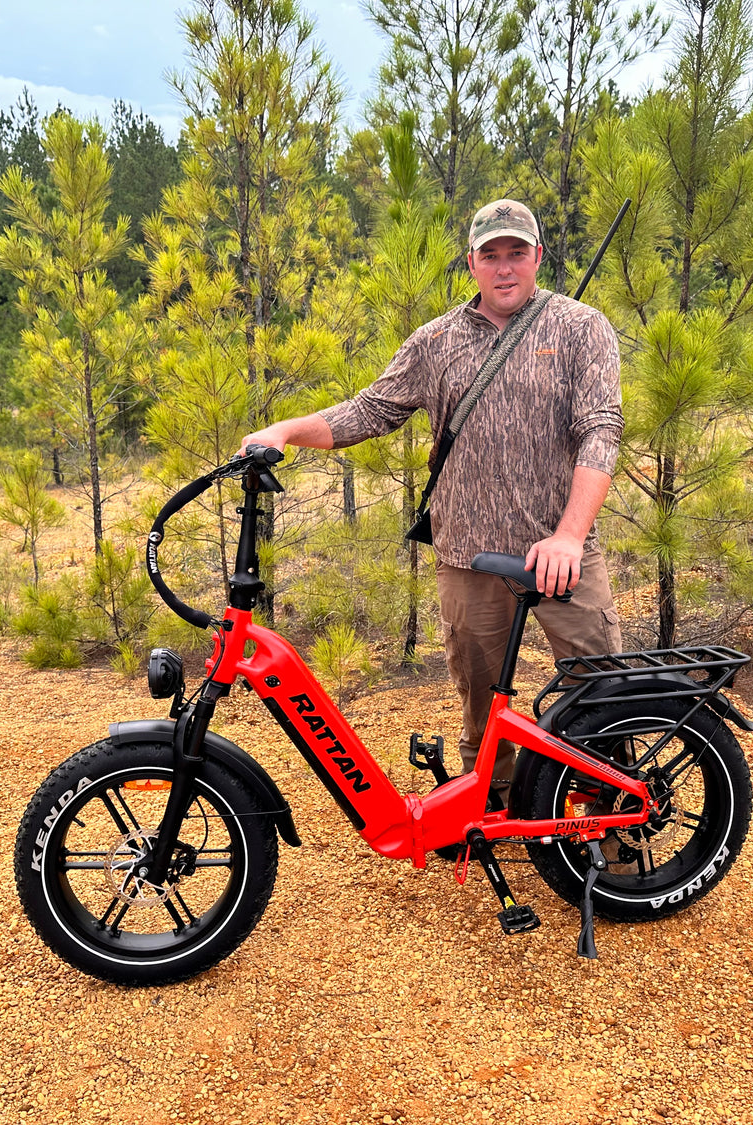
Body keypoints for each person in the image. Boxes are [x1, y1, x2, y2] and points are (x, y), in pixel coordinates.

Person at [241, 198, 624, 797]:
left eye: (516, 254)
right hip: (466, 559)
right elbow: (371, 409)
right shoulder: (437, 341)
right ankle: (489, 810)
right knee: (480, 699)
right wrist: (286, 431)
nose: (504, 269)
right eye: (490, 255)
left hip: (561, 556)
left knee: (598, 693)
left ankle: (613, 829)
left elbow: (601, 429)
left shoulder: (581, 327)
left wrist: (570, 535)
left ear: (537, 257)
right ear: (471, 263)